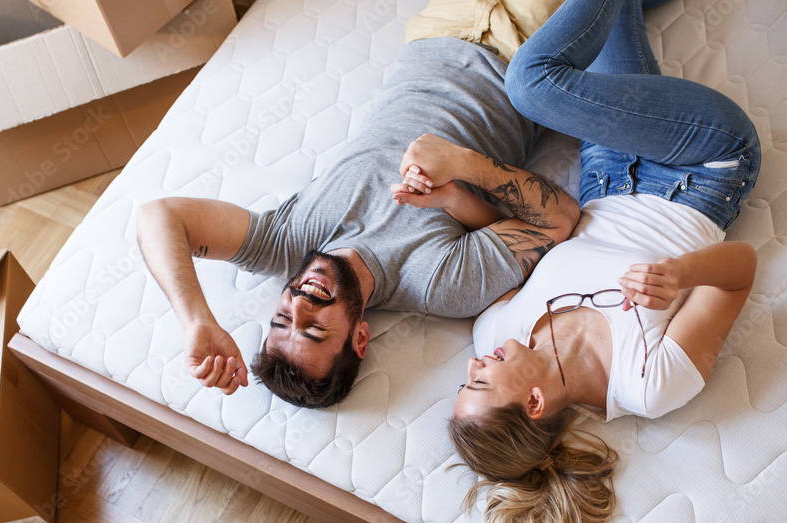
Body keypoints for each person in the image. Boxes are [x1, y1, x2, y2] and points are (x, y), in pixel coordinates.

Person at [391, 0, 760, 523]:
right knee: (533, 84)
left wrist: (448, 197)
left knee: (613, 18)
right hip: (702, 169)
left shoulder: (500, 328)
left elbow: (506, 236)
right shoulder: (648, 385)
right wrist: (685, 273)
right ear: (535, 402)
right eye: (481, 385)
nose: (472, 366)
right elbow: (740, 273)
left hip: (607, 168)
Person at [137, 28, 580, 408]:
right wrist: (461, 165)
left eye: (281, 319)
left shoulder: (284, 243)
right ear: (360, 338)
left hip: (438, 30)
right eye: (313, 329)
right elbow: (557, 219)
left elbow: (158, 216)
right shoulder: (437, 283)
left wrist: (197, 321)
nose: (300, 304)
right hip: (522, 56)